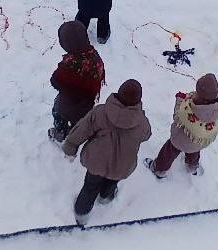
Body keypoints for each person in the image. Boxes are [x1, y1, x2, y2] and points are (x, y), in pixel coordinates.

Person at [62, 79, 152, 227]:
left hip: (96, 161)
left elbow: (82, 130)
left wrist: (71, 147)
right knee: (112, 182)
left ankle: (81, 214)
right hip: (122, 165)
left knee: (90, 187)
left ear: (118, 94)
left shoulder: (101, 112)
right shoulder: (142, 123)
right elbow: (147, 135)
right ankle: (105, 197)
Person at [146, 74, 218, 178]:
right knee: (193, 152)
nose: (195, 94)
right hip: (199, 142)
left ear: (203, 98)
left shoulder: (191, 111)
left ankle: (158, 169)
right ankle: (192, 167)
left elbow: (178, 116)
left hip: (181, 140)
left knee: (168, 152)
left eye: (198, 93)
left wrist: (179, 100)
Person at [48, 21, 105, 143]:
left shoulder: (70, 66)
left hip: (68, 105)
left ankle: (60, 133)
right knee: (79, 121)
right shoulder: (94, 55)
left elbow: (55, 81)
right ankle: (75, 132)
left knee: (58, 114)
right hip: (87, 104)